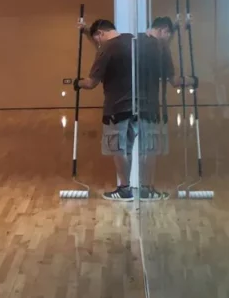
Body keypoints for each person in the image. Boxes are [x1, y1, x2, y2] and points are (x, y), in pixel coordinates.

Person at [74, 19, 135, 201]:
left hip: (116, 107)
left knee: (117, 149)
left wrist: (77, 83)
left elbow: (91, 83)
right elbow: (104, 49)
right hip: (135, 106)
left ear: (100, 33)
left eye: (97, 39)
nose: (97, 44)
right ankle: (126, 185)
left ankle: (125, 189)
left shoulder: (106, 49)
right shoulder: (130, 40)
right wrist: (87, 31)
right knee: (127, 149)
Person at [135, 17, 177, 200]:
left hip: (131, 104)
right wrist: (193, 81)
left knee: (138, 148)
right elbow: (173, 80)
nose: (168, 40)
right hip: (150, 105)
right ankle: (147, 188)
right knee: (150, 149)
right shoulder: (160, 49)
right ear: (164, 30)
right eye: (169, 35)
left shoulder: (134, 42)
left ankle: (140, 186)